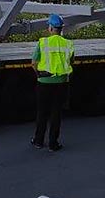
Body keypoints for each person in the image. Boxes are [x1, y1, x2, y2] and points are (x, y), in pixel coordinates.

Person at [30, 14, 74, 152]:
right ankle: (53, 144)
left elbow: (33, 63)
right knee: (56, 114)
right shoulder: (68, 44)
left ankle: (38, 141)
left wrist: (39, 74)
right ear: (61, 29)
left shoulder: (43, 43)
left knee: (42, 113)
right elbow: (70, 62)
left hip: (44, 82)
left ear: (50, 28)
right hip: (61, 82)